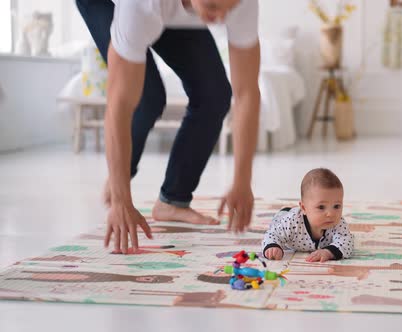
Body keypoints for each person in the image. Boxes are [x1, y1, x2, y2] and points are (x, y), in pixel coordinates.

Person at [75, 0, 261, 254]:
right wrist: (121, 200)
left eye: (227, 9)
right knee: (145, 97)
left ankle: (173, 201)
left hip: (172, 7)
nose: (219, 18)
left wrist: (242, 179)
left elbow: (247, 93)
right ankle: (119, 175)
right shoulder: (141, 6)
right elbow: (118, 104)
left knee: (214, 94)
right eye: (213, 5)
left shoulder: (241, 3)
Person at [262, 168, 354, 262]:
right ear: (304, 208)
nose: (330, 214)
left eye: (336, 206)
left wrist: (328, 252)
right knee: (276, 223)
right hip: (284, 216)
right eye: (321, 207)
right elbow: (272, 234)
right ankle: (286, 210)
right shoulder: (291, 222)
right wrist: (272, 246)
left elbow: (347, 242)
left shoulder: (338, 223)